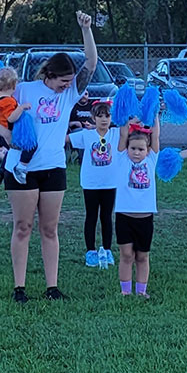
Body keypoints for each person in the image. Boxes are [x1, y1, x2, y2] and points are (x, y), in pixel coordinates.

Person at [0, 11, 99, 303]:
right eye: (62, 81)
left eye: (69, 82)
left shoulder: (70, 93)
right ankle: (19, 288)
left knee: (49, 229)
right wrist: (7, 135)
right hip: (21, 169)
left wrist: (86, 29)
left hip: (53, 168)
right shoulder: (24, 88)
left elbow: (91, 63)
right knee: (22, 227)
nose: (67, 86)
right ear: (49, 75)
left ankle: (52, 287)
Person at [68, 101, 125, 269]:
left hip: (109, 183)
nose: (104, 119)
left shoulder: (115, 134)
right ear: (93, 118)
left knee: (106, 217)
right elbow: (64, 139)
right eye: (99, 116)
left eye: (107, 116)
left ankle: (107, 249)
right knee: (91, 216)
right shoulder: (86, 135)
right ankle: (91, 251)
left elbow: (130, 125)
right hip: (91, 184)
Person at [112, 124, 161, 298]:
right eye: (133, 148)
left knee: (142, 256)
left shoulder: (151, 160)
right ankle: (125, 291)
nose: (136, 152)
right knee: (126, 255)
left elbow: (155, 136)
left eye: (141, 149)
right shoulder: (122, 159)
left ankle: (141, 291)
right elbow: (123, 133)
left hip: (145, 218)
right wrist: (126, 114)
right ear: (127, 149)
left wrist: (154, 113)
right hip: (124, 217)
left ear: (147, 150)